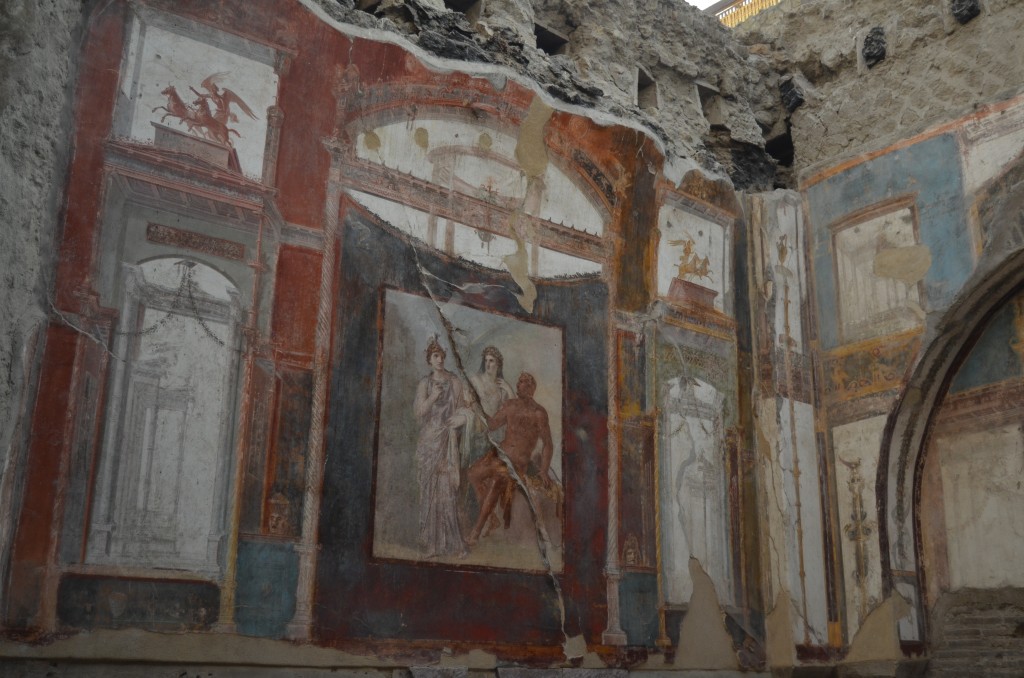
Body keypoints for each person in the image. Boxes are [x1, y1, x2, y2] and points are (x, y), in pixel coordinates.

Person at [466, 372, 554, 546]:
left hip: (517, 462)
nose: (522, 384)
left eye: (526, 382)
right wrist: (477, 405)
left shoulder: (539, 413)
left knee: (496, 481)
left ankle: (475, 532)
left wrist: (544, 470)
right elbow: (491, 425)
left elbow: (548, 445)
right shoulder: (510, 405)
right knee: (472, 473)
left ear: (532, 388)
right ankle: (491, 517)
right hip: (499, 454)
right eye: (520, 381)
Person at [412, 337, 466, 558]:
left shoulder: (454, 381)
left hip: (448, 439)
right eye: (436, 356)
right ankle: (432, 544)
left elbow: (465, 409)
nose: (441, 359)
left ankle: (453, 543)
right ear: (429, 360)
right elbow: (418, 413)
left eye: (442, 355)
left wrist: (461, 419)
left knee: (446, 490)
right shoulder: (425, 384)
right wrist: (433, 397)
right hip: (429, 441)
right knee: (430, 491)